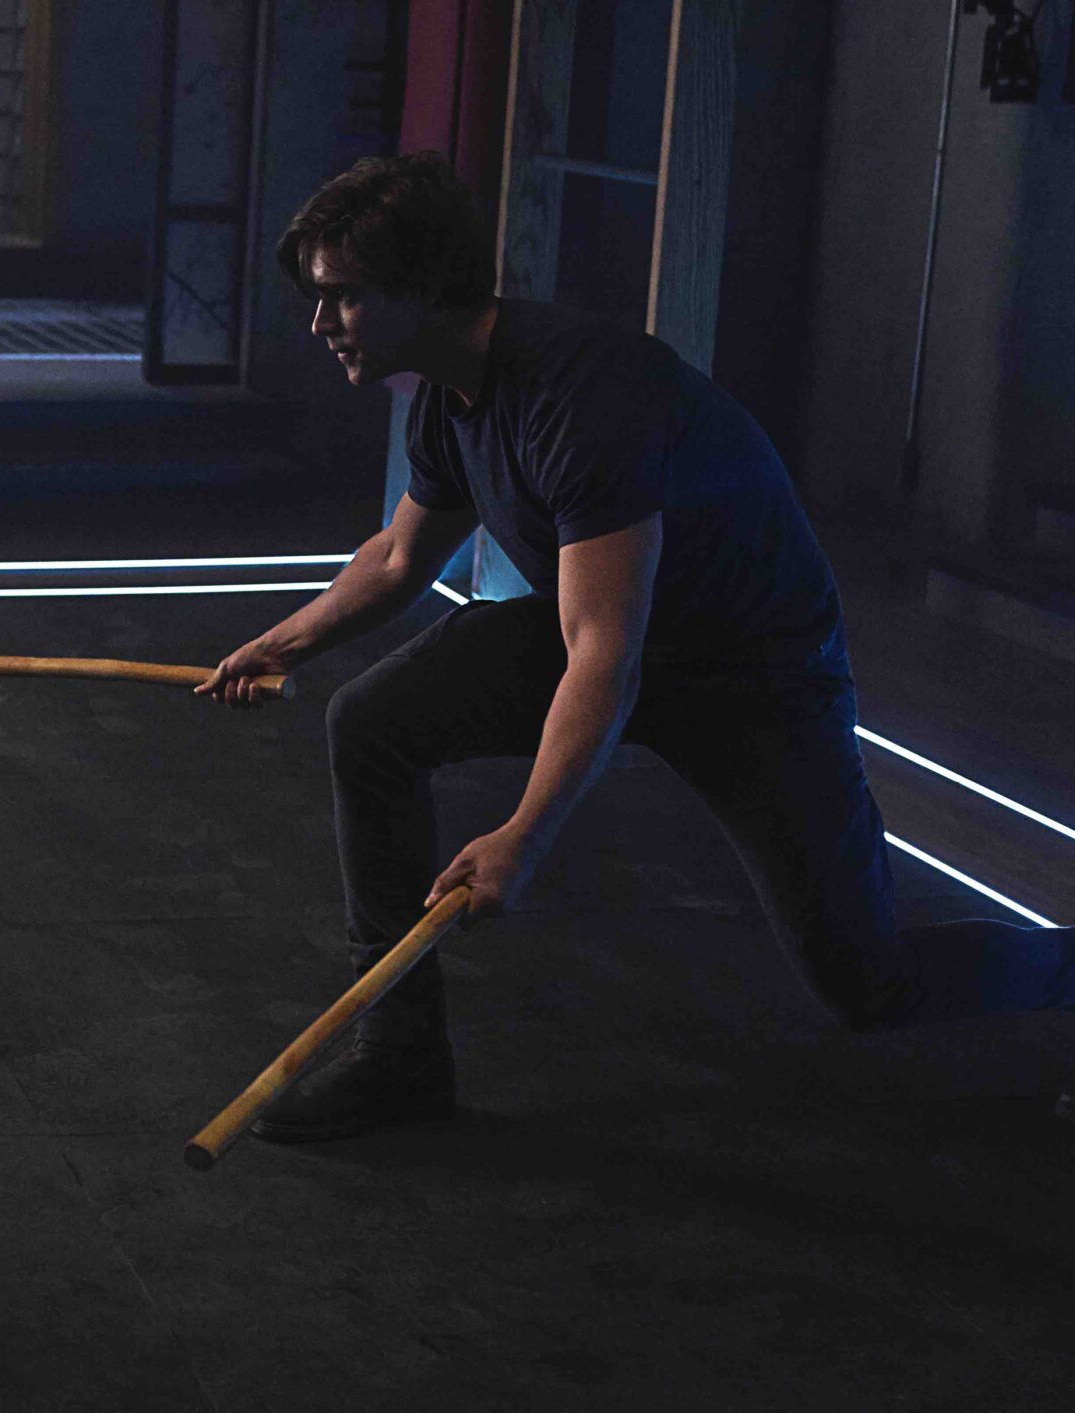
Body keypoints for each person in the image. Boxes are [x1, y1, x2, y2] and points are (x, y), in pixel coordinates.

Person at [194, 154, 1075, 1143]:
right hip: (616, 631)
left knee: (867, 980)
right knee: (372, 722)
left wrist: (523, 836)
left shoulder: (581, 392)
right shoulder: (449, 395)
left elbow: (604, 652)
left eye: (345, 296)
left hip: (744, 672)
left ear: (425, 287)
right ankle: (400, 1056)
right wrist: (281, 645)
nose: (321, 323)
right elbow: (401, 555)